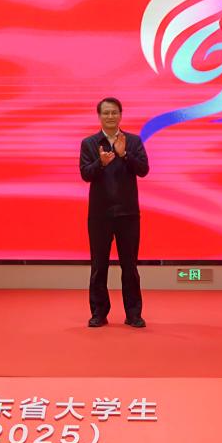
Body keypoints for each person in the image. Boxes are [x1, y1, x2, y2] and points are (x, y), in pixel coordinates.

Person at [79, 97, 150, 328]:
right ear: (99, 116)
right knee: (99, 266)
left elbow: (144, 170)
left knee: (130, 266)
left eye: (114, 113)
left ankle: (133, 314)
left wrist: (125, 154)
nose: (110, 116)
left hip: (128, 214)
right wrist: (100, 163)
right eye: (106, 113)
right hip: (99, 215)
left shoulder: (133, 141)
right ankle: (99, 313)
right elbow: (85, 174)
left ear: (120, 115)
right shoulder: (89, 143)